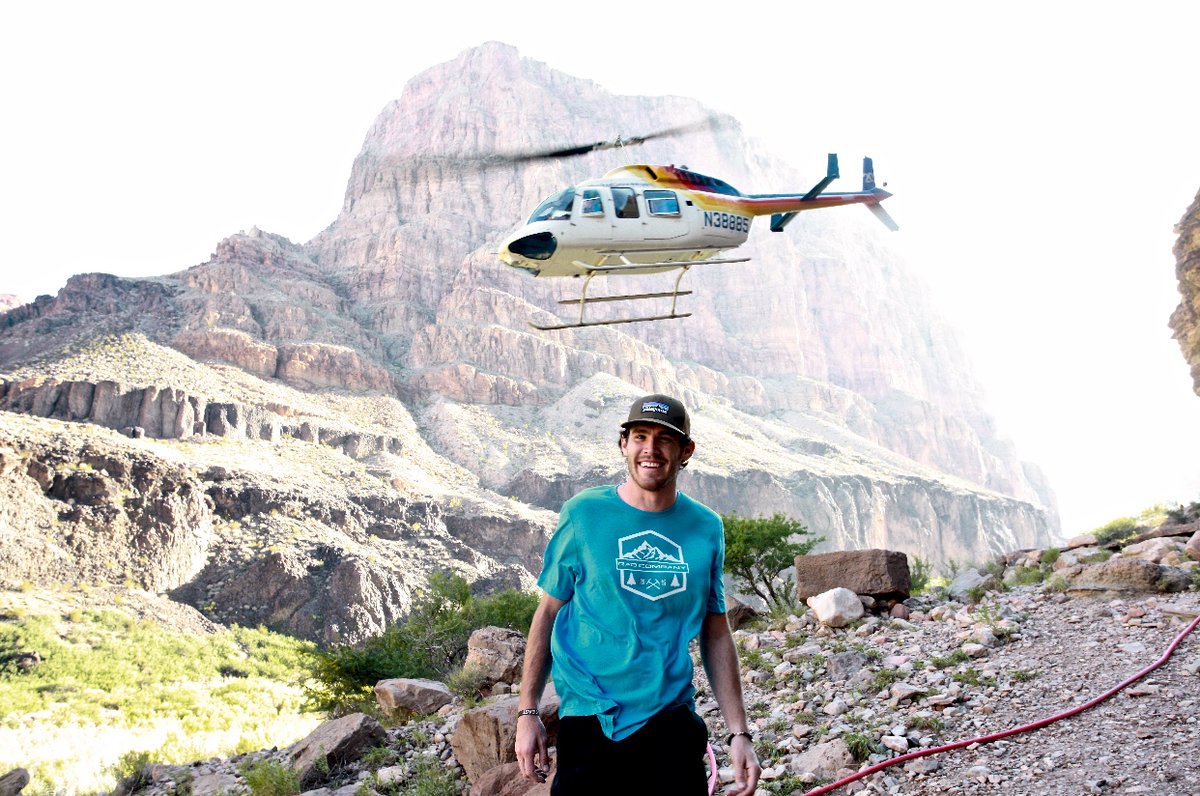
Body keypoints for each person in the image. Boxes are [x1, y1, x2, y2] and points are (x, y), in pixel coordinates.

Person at [515, 394, 761, 794]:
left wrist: (739, 733)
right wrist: (528, 712)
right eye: (640, 436)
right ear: (623, 444)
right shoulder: (583, 514)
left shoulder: (706, 527)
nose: (651, 448)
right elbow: (548, 612)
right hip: (591, 718)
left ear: (685, 451)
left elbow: (716, 631)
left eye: (665, 439)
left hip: (671, 720)